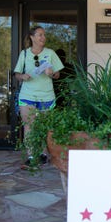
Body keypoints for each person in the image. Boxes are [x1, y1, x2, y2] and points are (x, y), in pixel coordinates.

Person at [13, 26, 64, 169]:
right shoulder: (24, 54)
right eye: (40, 35)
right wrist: (22, 76)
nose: (43, 38)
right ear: (32, 37)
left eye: (44, 35)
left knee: (44, 127)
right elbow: (16, 74)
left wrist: (52, 73)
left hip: (46, 95)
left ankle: (42, 154)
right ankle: (30, 155)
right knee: (29, 125)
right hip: (27, 95)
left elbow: (58, 75)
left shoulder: (50, 53)